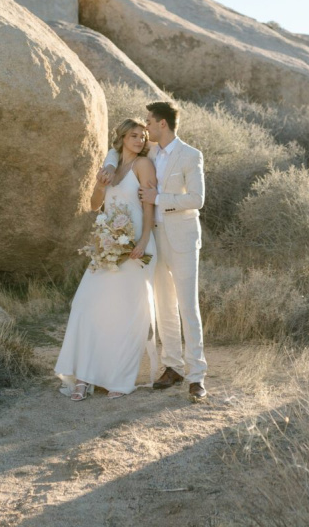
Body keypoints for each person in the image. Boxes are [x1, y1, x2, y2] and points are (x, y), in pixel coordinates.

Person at [100, 100, 207, 400]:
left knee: (188, 307)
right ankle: (173, 367)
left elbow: (197, 199)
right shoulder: (150, 151)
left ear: (163, 123)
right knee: (164, 306)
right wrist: (109, 163)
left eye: (149, 121)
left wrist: (159, 198)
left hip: (182, 239)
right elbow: (116, 149)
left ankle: (197, 375)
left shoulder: (190, 155)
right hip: (155, 241)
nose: (145, 127)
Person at [54, 118, 157, 400]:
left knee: (126, 314)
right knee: (86, 305)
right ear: (122, 138)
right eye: (134, 135)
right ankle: (84, 377)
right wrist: (101, 184)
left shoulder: (143, 165)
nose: (140, 140)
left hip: (136, 246)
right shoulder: (112, 166)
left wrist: (144, 240)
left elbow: (150, 204)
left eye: (143, 136)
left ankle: (118, 379)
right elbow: (93, 204)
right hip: (107, 244)